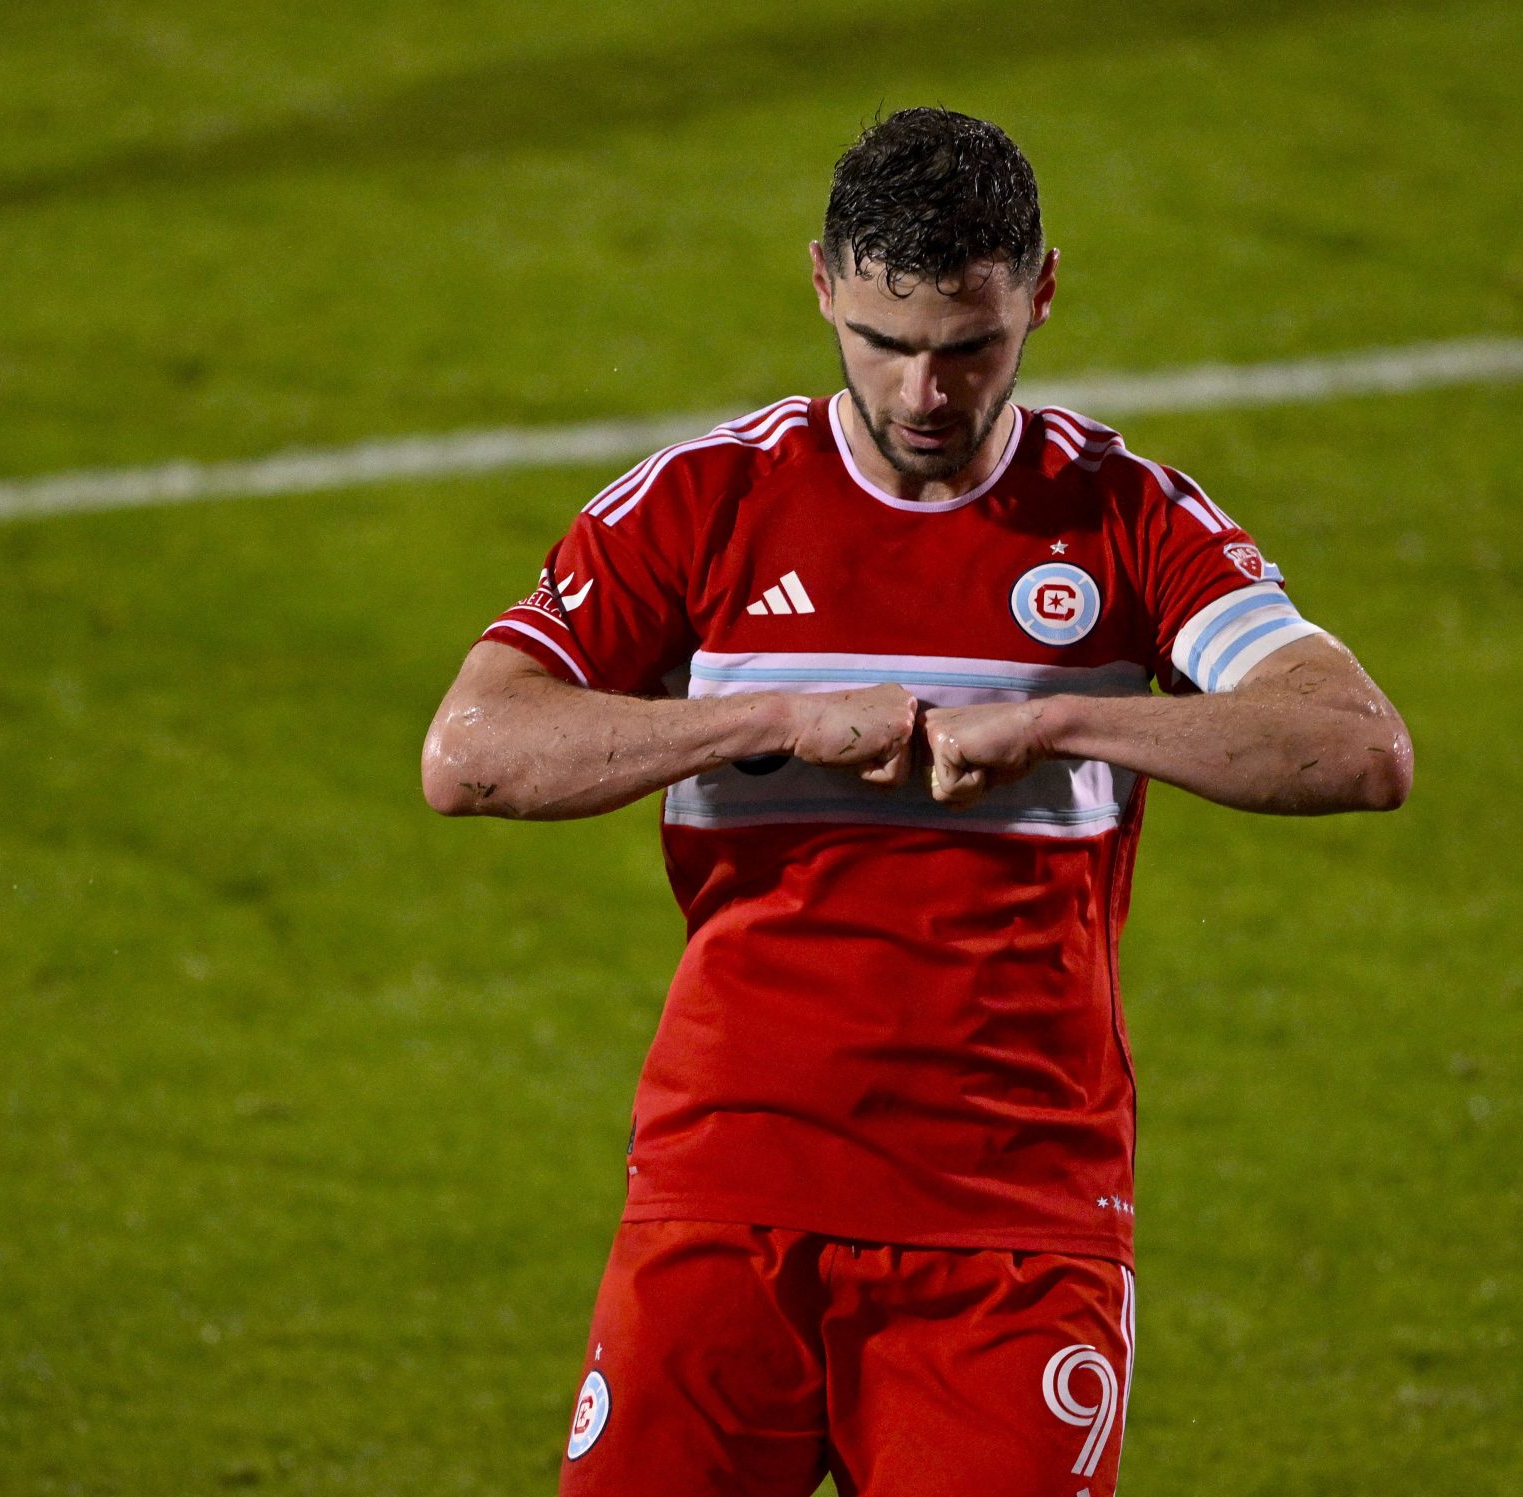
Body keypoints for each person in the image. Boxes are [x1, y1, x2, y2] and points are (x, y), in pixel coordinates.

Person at [421, 107, 1411, 1497]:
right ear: (823, 283)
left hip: (1016, 1220)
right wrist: (771, 720)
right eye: (885, 344)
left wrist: (1061, 721)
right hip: (729, 1180)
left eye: (968, 347)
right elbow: (470, 750)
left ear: (1041, 295)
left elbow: (1359, 745)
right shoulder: (707, 503)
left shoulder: (1126, 518)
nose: (924, 395)